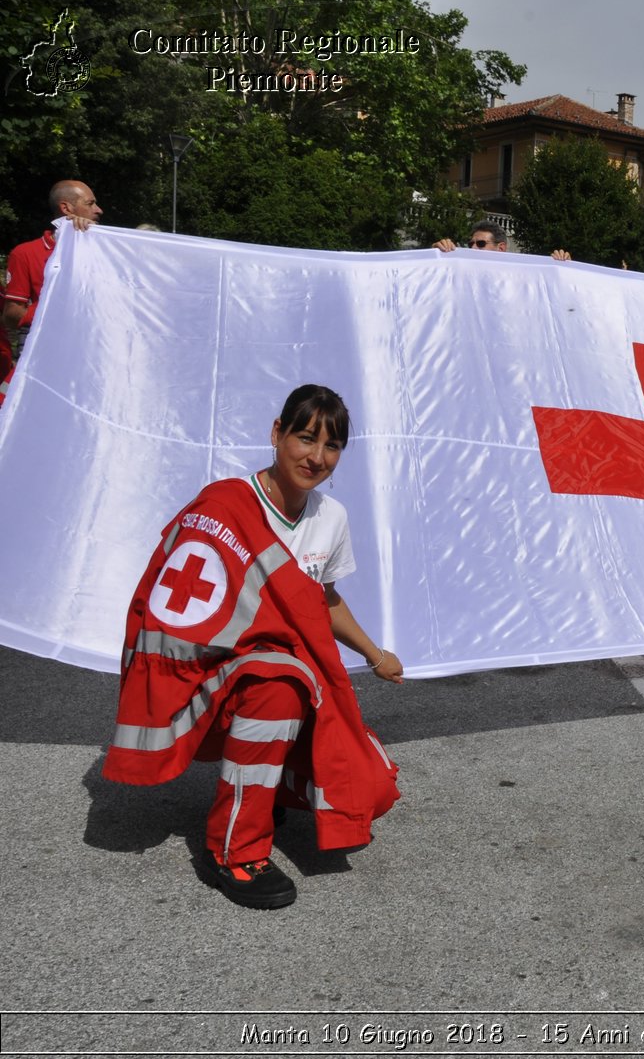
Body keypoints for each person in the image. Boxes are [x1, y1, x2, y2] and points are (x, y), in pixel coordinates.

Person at [103, 385, 402, 909]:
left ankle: (270, 791)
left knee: (370, 787)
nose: (316, 457)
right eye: (305, 438)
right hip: (215, 683)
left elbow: (321, 600)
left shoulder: (330, 518)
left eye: (331, 447)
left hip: (293, 676)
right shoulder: (224, 505)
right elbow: (175, 605)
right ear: (277, 433)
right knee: (276, 684)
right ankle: (234, 851)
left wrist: (374, 655)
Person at [3, 179, 101, 356]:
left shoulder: (103, 249)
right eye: (90, 203)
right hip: (46, 354)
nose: (99, 210)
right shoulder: (25, 252)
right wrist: (57, 312)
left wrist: (97, 240)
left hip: (94, 350)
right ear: (66, 208)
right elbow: (11, 314)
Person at [433, 219, 570, 260]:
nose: (474, 248)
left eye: (481, 244)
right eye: (471, 244)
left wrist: (564, 267)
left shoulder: (517, 273)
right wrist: (435, 254)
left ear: (501, 248)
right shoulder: (462, 267)